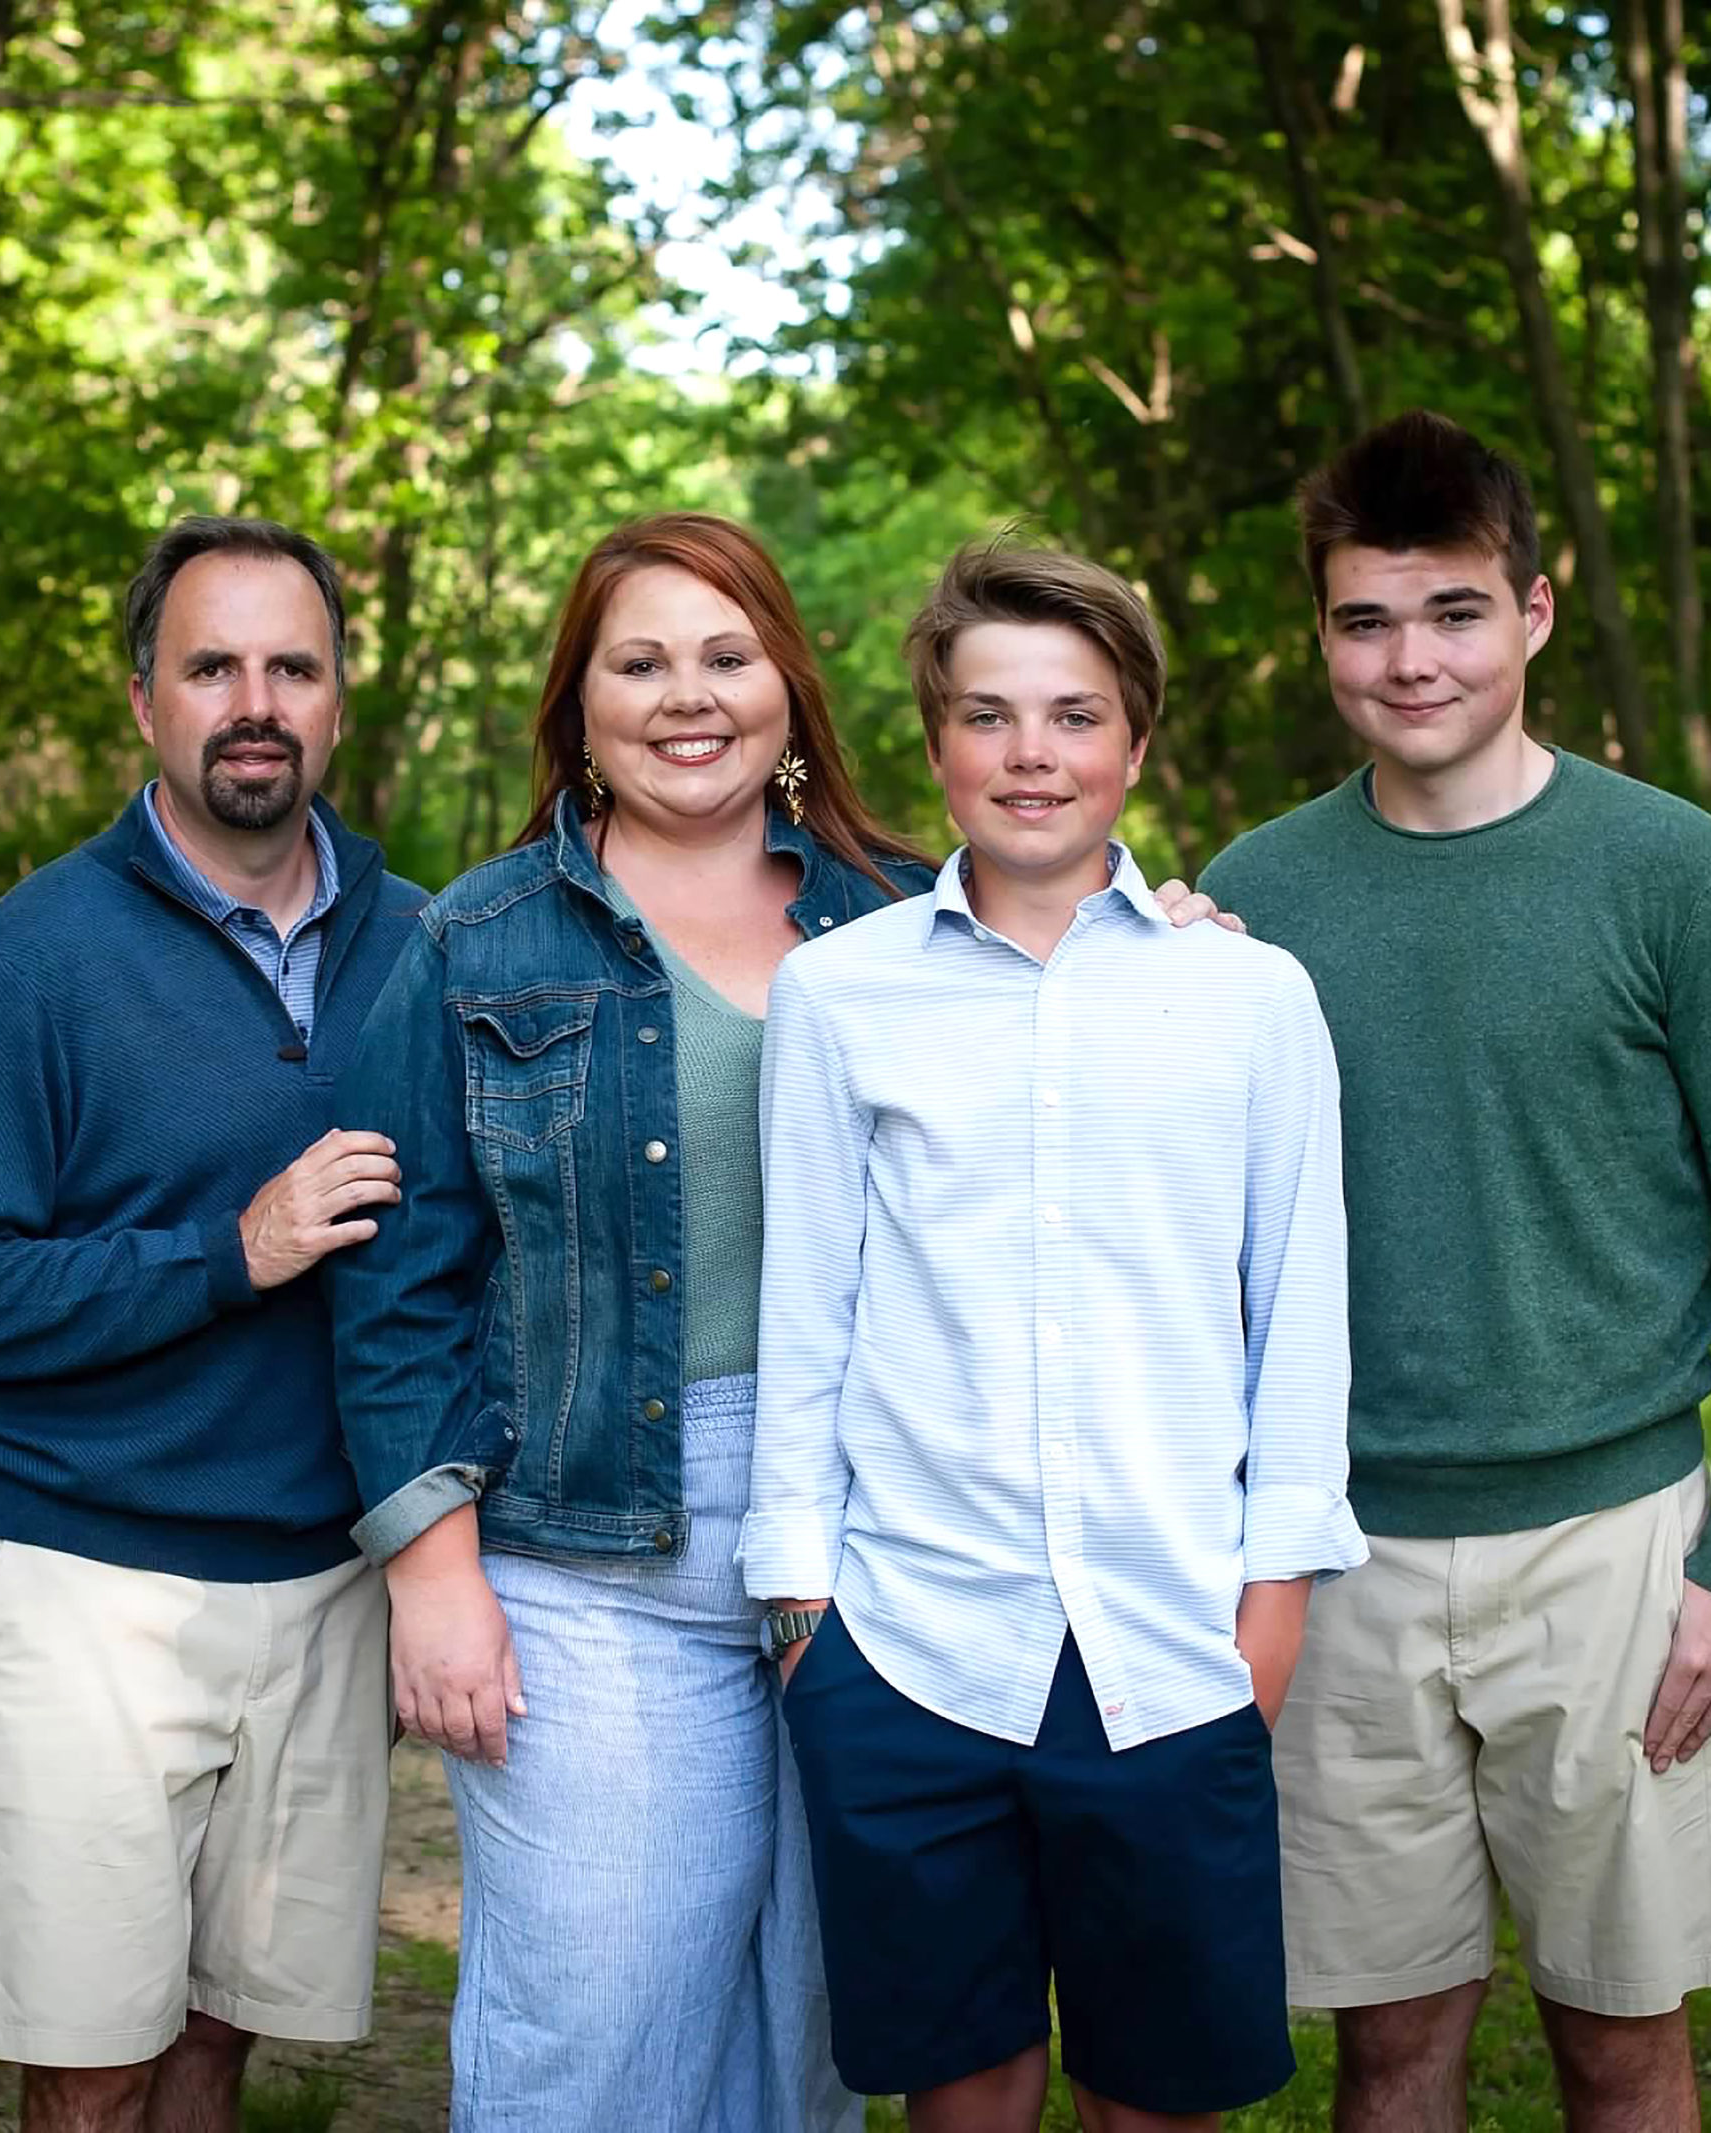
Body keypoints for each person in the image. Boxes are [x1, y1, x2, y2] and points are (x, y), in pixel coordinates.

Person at [326, 512, 1233, 2130]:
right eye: (641, 661)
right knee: (597, 2023)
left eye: (727, 656)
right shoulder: (477, 940)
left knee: (808, 2032)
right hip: (591, 1544)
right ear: (580, 703)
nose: (691, 696)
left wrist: (1171, 953)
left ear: (788, 686)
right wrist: (431, 1567)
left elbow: (1083, 1100)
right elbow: (395, 1285)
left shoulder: (904, 918)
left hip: (890, 1546)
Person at [1199, 410, 1711, 2132]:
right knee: (1395, 2046)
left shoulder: (1670, 873)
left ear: (1536, 614)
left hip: (1617, 1550)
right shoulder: (1257, 898)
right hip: (1344, 1555)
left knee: (1620, 2041)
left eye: (1455, 611)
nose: (1411, 659)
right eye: (1366, 620)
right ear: (1321, 635)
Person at [749, 538, 1362, 2133]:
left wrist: (1269, 1608)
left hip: (1174, 1647)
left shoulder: (1253, 1000)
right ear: (937, 743)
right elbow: (809, 1308)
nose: (1034, 754)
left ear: (1136, 744)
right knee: (966, 2087)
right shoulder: (841, 995)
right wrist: (803, 1606)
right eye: (991, 715)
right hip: (908, 1640)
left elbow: (1298, 1316)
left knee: (1155, 2090)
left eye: (1076, 715)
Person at [0, 515, 421, 2133]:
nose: (253, 701)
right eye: (210, 667)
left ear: (337, 700)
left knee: (216, 2039)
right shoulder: (33, 955)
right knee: (93, 2062)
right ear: (144, 702)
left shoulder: (425, 943)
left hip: (329, 1578)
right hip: (86, 1574)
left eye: (291, 666)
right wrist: (225, 1252)